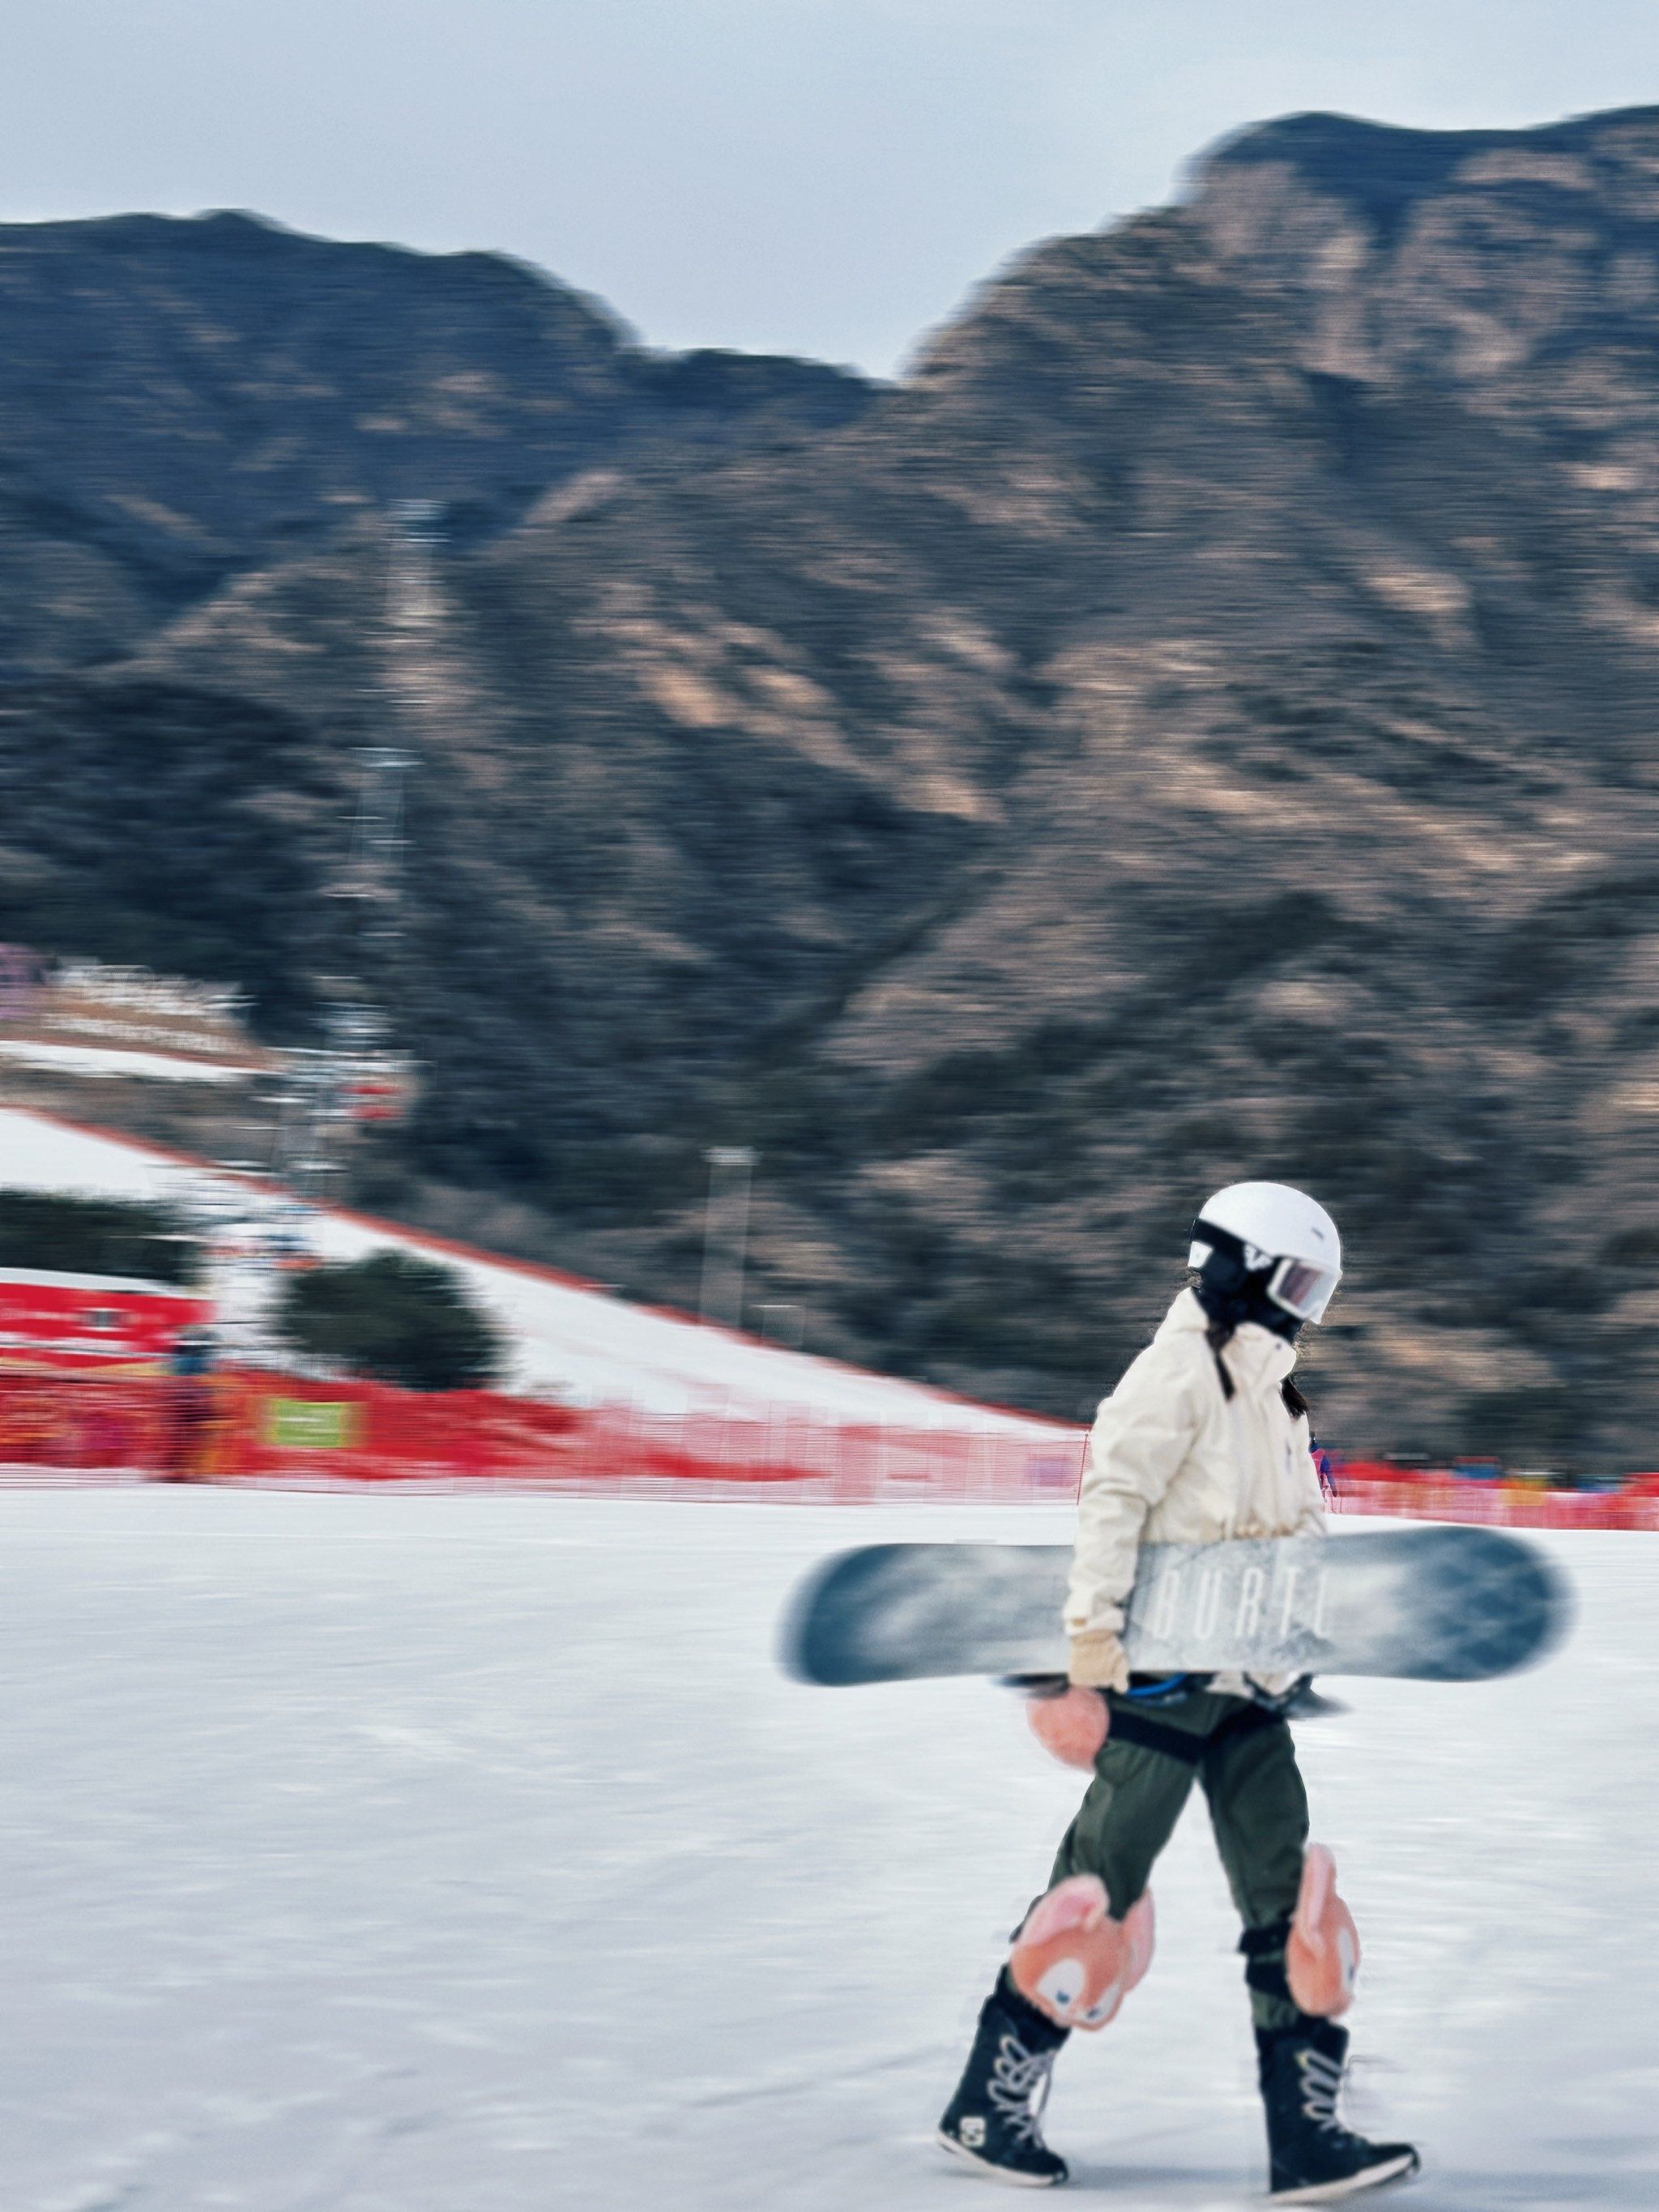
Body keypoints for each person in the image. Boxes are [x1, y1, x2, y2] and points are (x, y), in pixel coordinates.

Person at [937, 1182, 1419, 2200]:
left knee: (1290, 1907)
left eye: (1318, 1289)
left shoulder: (1275, 1399)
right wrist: (1087, 1658)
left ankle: (1304, 2140)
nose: (1304, 1308)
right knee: (1093, 1893)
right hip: (1157, 1683)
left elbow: (1294, 1543)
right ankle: (988, 2104)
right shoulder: (1174, 1375)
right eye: (1295, 1281)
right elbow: (1110, 1502)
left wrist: (1291, 1652)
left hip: (1247, 1688)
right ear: (1235, 1266)